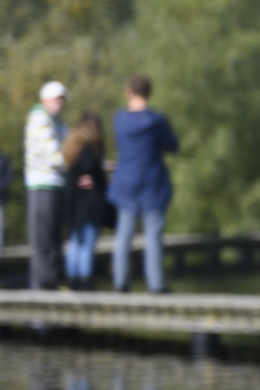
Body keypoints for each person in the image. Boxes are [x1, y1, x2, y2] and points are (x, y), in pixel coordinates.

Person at [109, 75, 180, 294]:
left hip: (126, 183)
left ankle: (120, 283)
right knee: (154, 237)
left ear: (128, 91)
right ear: (149, 93)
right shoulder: (157, 120)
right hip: (152, 184)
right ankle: (156, 284)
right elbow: (173, 145)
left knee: (123, 236)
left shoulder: (119, 120)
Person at [23, 81, 68, 289]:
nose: (61, 102)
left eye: (63, 98)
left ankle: (49, 286)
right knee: (43, 243)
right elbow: (56, 156)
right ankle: (41, 291)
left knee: (54, 242)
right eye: (57, 98)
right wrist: (75, 166)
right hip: (42, 186)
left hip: (57, 186)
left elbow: (71, 148)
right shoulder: (40, 118)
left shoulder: (58, 122)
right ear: (45, 100)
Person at [59, 113, 111, 287]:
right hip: (89, 207)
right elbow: (89, 167)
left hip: (75, 207)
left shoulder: (72, 151)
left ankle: (72, 280)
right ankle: (85, 281)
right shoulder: (89, 150)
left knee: (75, 243)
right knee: (87, 245)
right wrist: (94, 173)